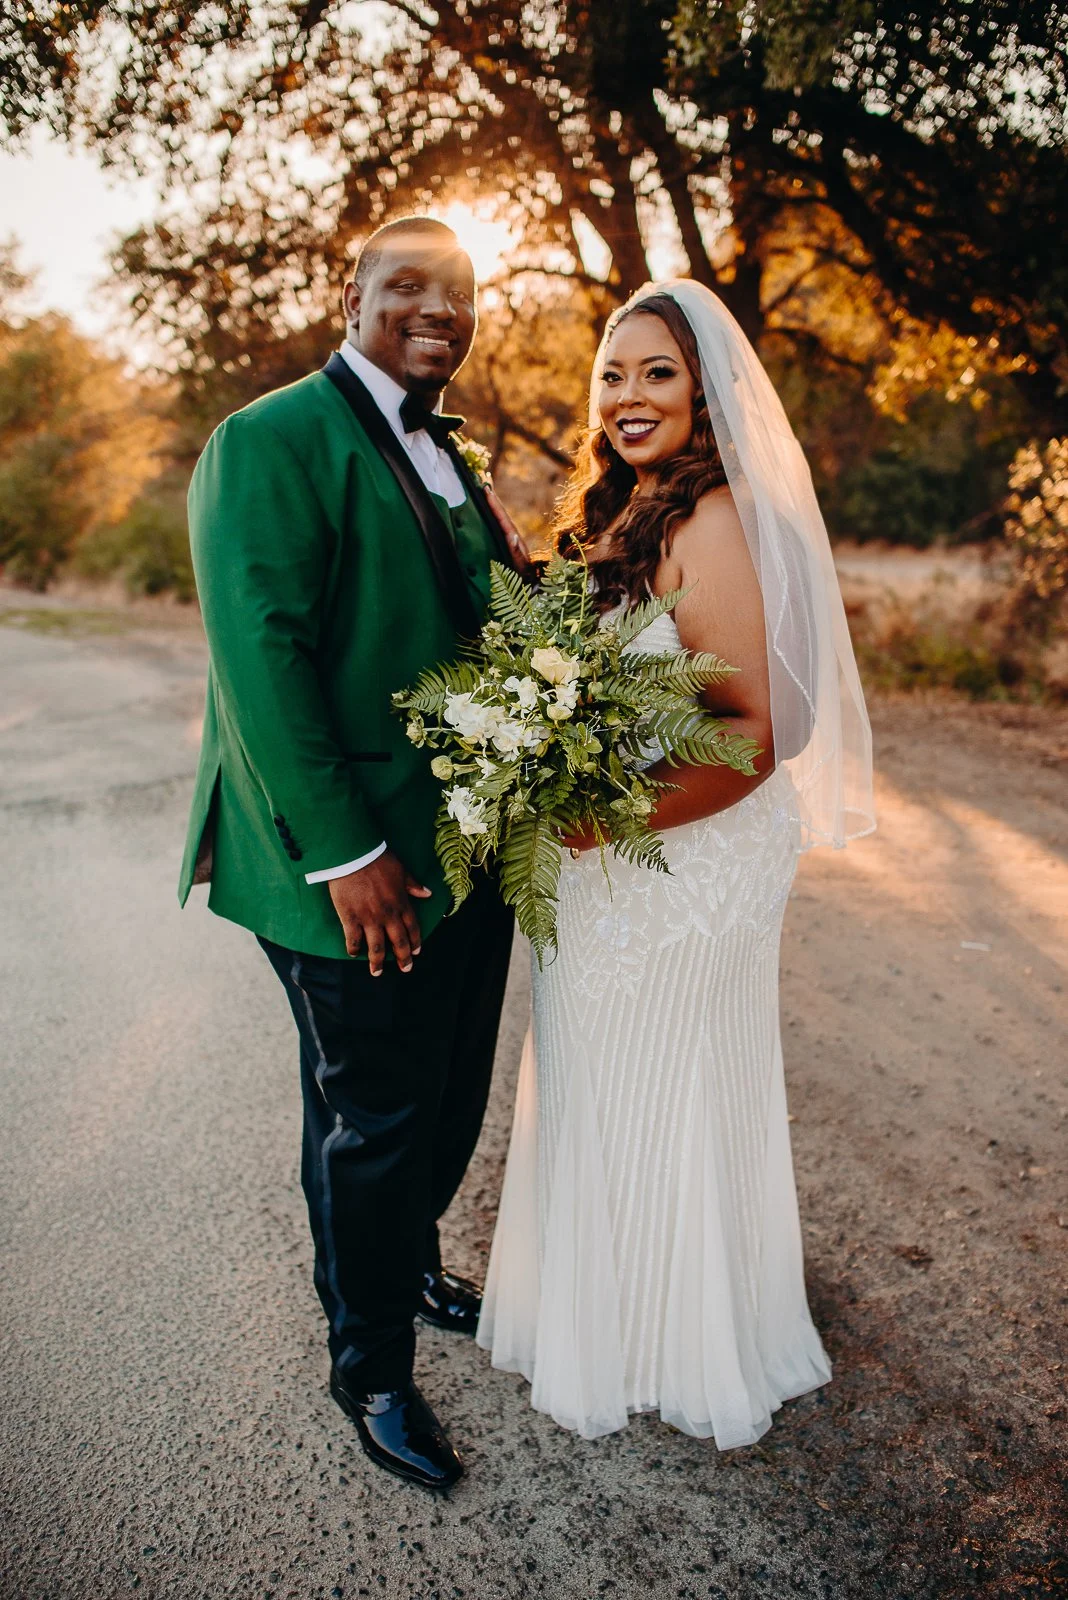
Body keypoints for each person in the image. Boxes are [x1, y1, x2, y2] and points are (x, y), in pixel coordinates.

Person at [477, 280, 876, 1446]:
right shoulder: (627, 508)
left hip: (682, 860)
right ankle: (622, 1314)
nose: (630, 393)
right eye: (613, 372)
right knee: (609, 1083)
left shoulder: (716, 515)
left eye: (657, 371)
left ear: (704, 386)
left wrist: (596, 824)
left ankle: (678, 1335)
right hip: (617, 854)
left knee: (671, 1080)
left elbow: (755, 735)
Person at [179, 216, 527, 1491]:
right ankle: (369, 1363)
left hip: (471, 845)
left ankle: (410, 1261)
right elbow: (259, 660)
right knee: (372, 1114)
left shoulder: (444, 450)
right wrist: (345, 854)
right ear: (356, 294)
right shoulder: (268, 439)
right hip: (353, 862)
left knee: (441, 1093)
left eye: (461, 292)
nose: (438, 310)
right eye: (409, 287)